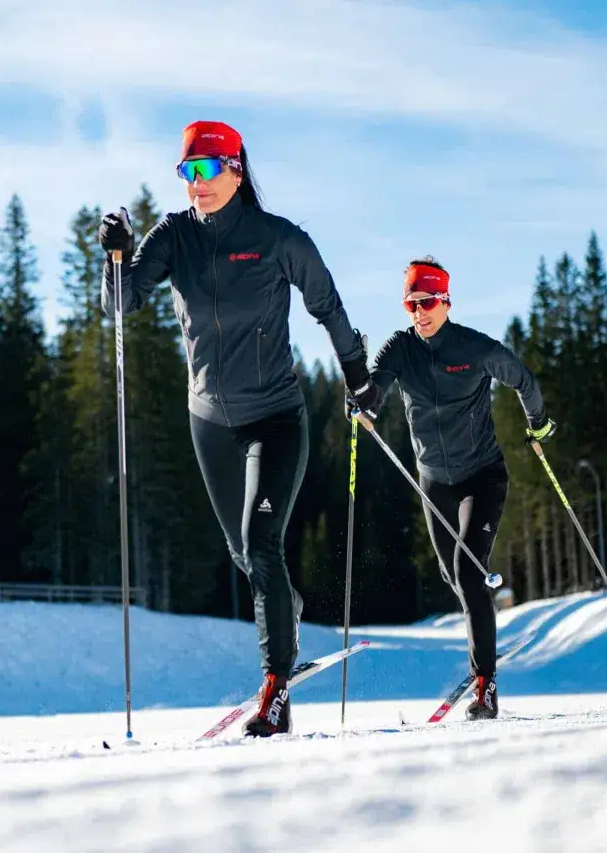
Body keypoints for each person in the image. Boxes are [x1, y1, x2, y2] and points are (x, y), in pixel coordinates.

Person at [99, 120, 381, 737]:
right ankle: (288, 613)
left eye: (206, 170)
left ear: (236, 169)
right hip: (209, 424)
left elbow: (327, 305)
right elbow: (122, 302)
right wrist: (115, 257)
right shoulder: (174, 235)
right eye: (186, 173)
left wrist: (357, 376)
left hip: (276, 417)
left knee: (261, 541)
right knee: (246, 555)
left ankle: (276, 688)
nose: (196, 184)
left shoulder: (278, 238)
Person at [347, 256, 554, 720]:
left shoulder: (473, 347)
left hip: (482, 476)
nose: (419, 311)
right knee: (454, 577)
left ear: (445, 300)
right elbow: (375, 392)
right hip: (434, 482)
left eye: (426, 301)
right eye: (410, 303)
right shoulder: (399, 348)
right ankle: (481, 603)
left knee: (467, 568)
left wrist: (537, 423)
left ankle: (485, 685)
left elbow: (523, 378)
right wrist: (360, 400)